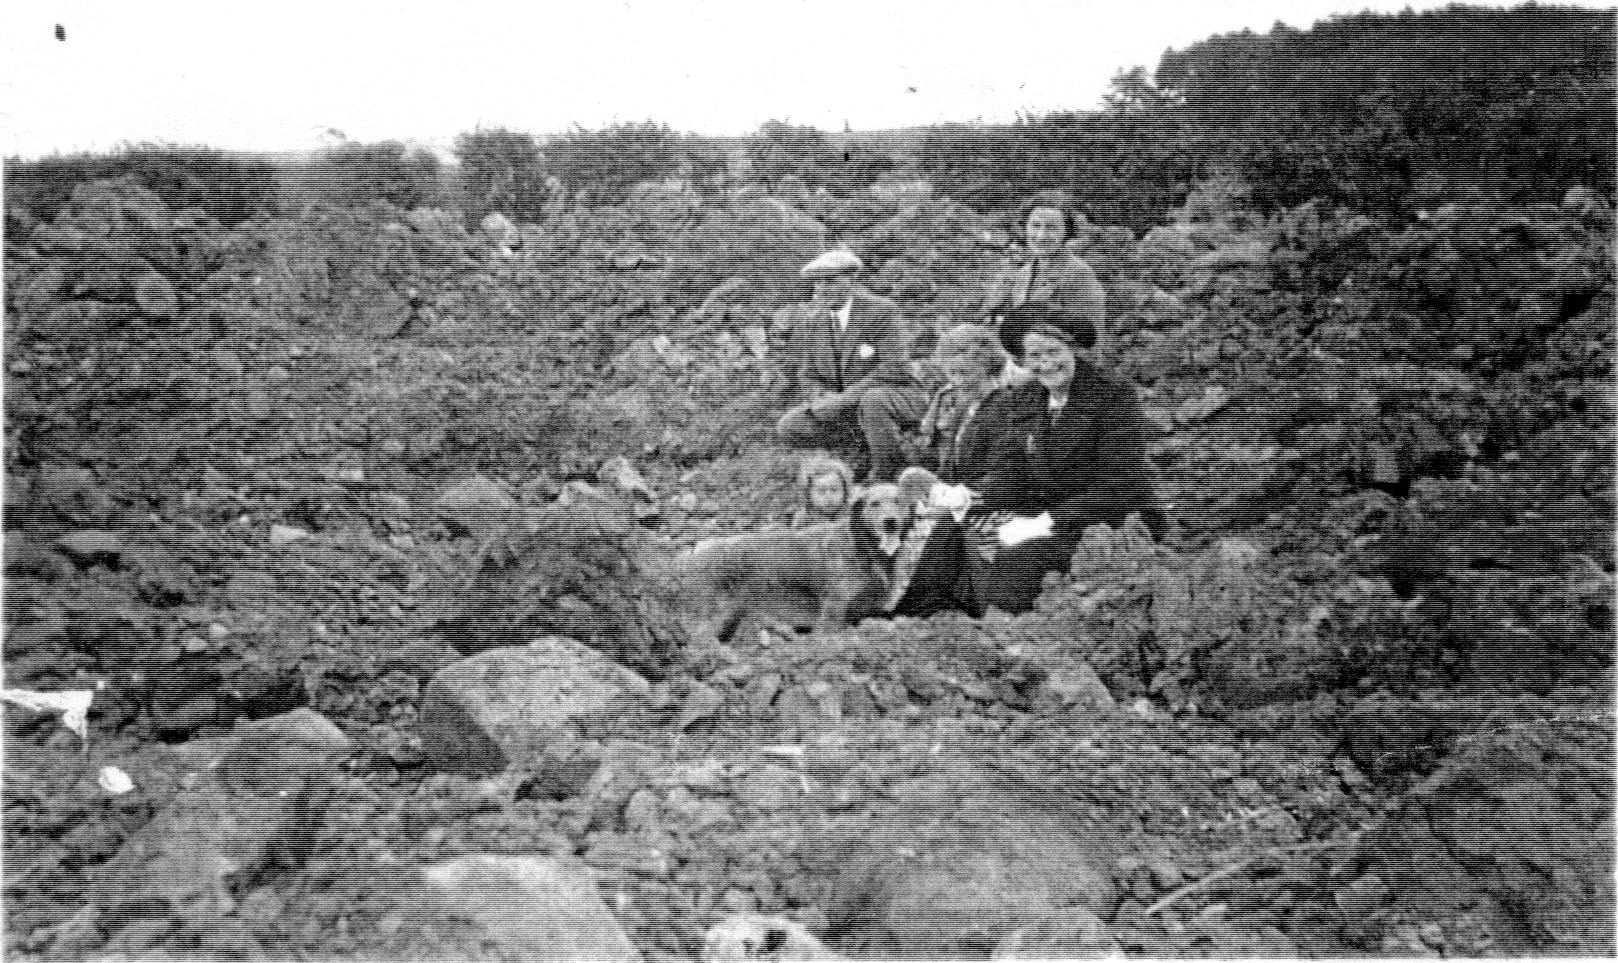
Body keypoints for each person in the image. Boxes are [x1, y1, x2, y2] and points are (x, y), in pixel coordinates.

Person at [897, 303, 1165, 616]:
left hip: (1105, 521)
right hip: (1045, 511)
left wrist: (1042, 524)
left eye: (1053, 352)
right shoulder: (1026, 398)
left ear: (1073, 348)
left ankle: (1004, 630)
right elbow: (1011, 470)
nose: (1046, 364)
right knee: (954, 521)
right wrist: (969, 495)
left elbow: (1118, 485)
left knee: (1017, 554)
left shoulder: (1112, 395)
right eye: (1035, 356)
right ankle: (920, 614)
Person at [775, 250, 930, 482]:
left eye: (830, 281)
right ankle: (860, 451)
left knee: (873, 401)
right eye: (818, 282)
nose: (822, 289)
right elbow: (808, 374)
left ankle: (890, 475)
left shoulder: (881, 311)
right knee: (790, 425)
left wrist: (843, 399)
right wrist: (822, 398)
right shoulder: (814, 321)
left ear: (851, 280)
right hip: (847, 407)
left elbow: (895, 369)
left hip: (898, 397)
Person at [982, 192, 1108, 356]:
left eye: (1052, 227)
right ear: (1025, 227)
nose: (1041, 236)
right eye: (1035, 225)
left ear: (1067, 232)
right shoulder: (1024, 274)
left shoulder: (1078, 274)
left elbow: (1091, 342)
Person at [791, 454, 855, 528]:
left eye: (834, 490)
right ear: (808, 494)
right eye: (821, 491)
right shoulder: (803, 519)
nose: (829, 497)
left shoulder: (852, 515)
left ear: (845, 491)